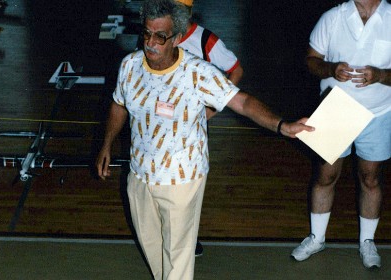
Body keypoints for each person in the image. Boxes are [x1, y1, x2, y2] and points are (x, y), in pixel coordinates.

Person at [96, 0, 314, 278]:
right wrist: (107, 144)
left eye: (160, 37)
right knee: (152, 247)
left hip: (182, 177)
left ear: (176, 38)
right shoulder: (129, 66)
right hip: (140, 176)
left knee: (178, 259)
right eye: (147, 33)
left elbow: (244, 102)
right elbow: (119, 104)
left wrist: (282, 125)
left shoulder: (197, 73)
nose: (151, 43)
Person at [291, 0, 391, 269]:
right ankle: (317, 237)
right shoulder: (333, 17)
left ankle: (367, 242)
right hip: (335, 108)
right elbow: (311, 60)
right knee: (326, 174)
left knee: (370, 178)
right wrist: (331, 68)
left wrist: (382, 75)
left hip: (379, 112)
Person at [175, 0, 244, 257]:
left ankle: (188, 238)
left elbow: (235, 71)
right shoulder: (159, 35)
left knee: (189, 184)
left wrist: (212, 109)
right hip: (162, 125)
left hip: (191, 128)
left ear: (189, 11)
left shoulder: (205, 40)